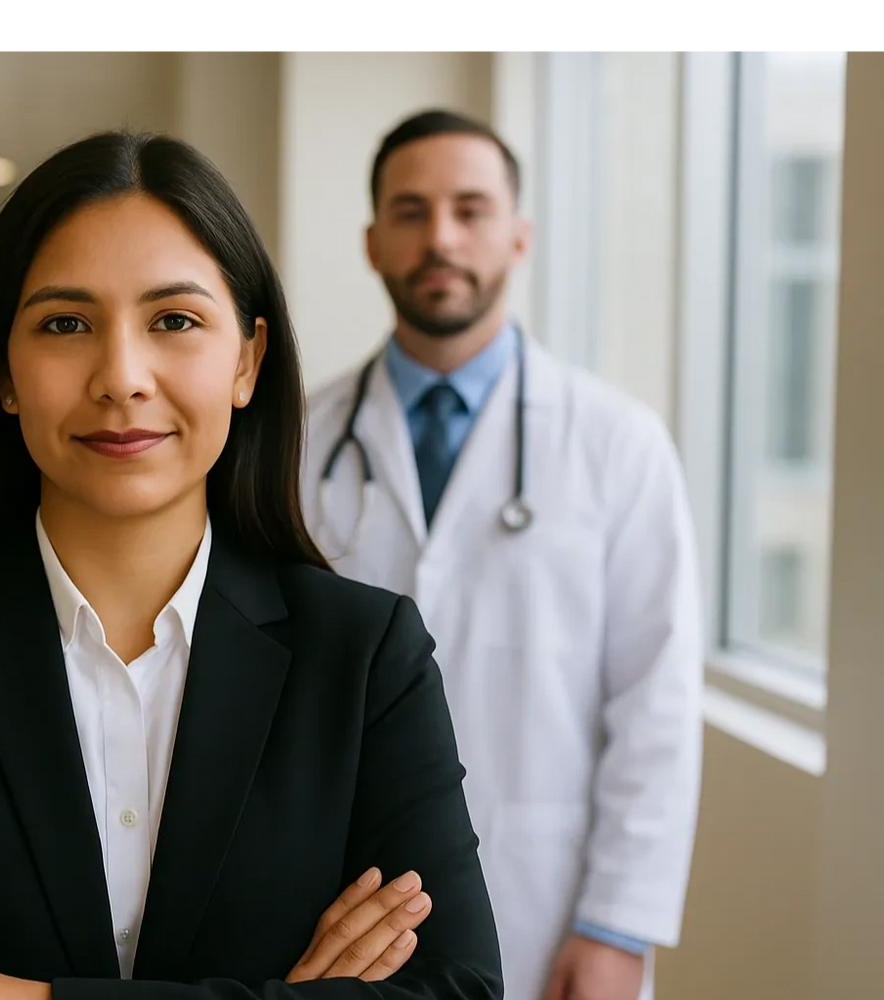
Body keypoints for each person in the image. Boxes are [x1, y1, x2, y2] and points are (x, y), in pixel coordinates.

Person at [0, 131, 504, 1000]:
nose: (121, 376)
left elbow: (456, 992)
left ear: (247, 360)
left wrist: (18, 998)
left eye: (175, 321)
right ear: (3, 373)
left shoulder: (365, 652)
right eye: (65, 324)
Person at [301, 110, 703, 1000]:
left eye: (470, 209)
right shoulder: (296, 441)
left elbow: (657, 702)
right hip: (343, 904)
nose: (440, 237)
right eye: (410, 212)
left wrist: (617, 925)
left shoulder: (619, 444)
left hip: (551, 902)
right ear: (372, 243)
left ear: (518, 236)